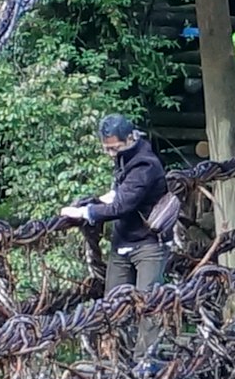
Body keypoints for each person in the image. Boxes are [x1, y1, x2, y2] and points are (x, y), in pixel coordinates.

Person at [59, 115, 178, 291]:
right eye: (106, 149)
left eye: (114, 149)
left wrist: (85, 212)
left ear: (130, 138)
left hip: (149, 243)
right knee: (114, 306)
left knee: (148, 308)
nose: (111, 154)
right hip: (123, 239)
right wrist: (98, 201)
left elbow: (121, 206)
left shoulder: (145, 165)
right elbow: (121, 192)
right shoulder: (125, 155)